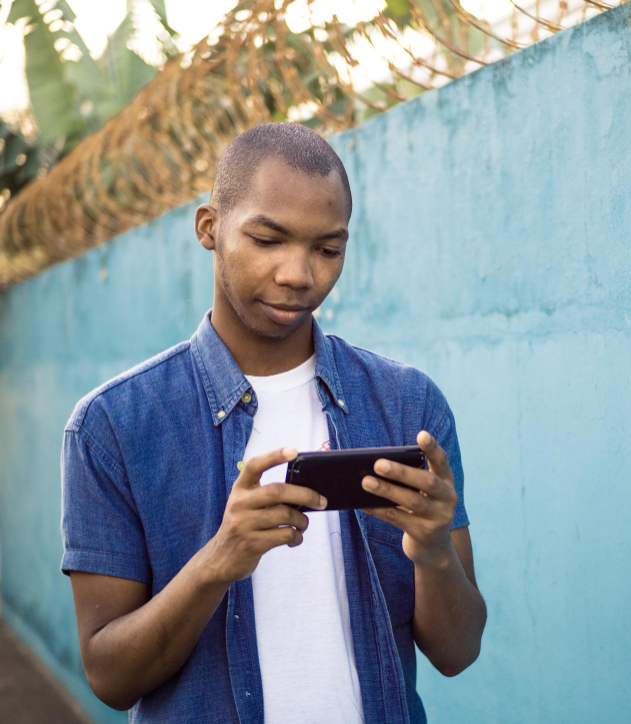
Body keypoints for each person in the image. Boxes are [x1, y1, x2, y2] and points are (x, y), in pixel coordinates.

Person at [60, 122, 487, 724]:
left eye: (327, 249)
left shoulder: (408, 405)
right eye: (268, 240)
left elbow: (459, 652)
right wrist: (220, 559)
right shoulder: (113, 427)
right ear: (210, 228)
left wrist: (435, 552)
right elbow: (109, 675)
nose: (299, 274)